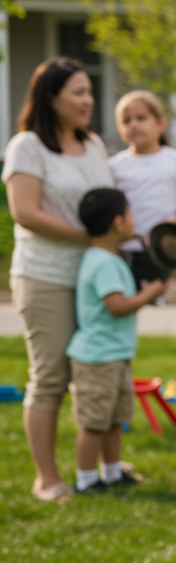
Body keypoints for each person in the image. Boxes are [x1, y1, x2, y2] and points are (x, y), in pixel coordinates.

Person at [3, 58, 113, 503]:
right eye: (78, 93)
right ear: (51, 97)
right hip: (45, 276)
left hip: (92, 280)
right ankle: (46, 479)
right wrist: (92, 238)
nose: (89, 101)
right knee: (49, 377)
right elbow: (25, 213)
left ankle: (103, 469)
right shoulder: (27, 146)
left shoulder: (95, 145)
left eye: (90, 92)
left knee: (100, 374)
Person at [67, 188, 167, 494]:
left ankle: (111, 473)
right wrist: (147, 296)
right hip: (98, 358)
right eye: (131, 214)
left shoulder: (108, 258)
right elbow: (116, 306)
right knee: (94, 423)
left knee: (114, 419)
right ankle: (86, 481)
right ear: (118, 222)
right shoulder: (104, 263)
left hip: (114, 355)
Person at [109, 91, 176, 283]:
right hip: (126, 250)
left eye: (141, 118)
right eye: (127, 120)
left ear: (160, 123)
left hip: (164, 250)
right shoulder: (114, 166)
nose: (133, 124)